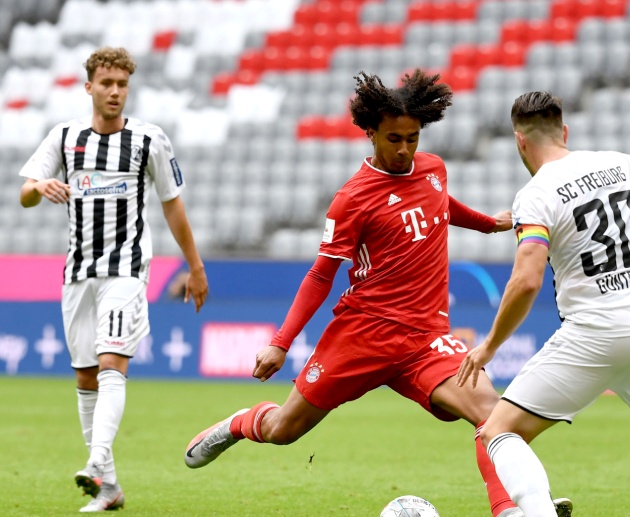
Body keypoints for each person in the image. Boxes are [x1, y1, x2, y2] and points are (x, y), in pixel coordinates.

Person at [184, 70, 572, 517]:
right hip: (362, 335)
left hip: (426, 339)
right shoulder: (352, 199)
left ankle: (511, 511)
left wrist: (488, 223)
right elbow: (320, 276)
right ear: (371, 133)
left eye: (412, 138)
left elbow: (440, 203)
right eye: (394, 139)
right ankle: (239, 424)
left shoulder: (433, 169)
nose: (405, 149)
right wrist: (280, 342)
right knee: (284, 430)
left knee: (493, 414)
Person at [457, 91, 630, 517]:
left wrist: (489, 346)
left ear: (520, 141)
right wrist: (621, 204)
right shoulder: (613, 163)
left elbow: (527, 279)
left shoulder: (536, 194)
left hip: (595, 333)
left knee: (497, 431)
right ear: (565, 132)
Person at [19, 47, 209, 513]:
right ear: (89, 87)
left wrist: (195, 266)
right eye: (106, 83)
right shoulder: (65, 136)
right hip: (78, 273)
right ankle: (109, 487)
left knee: (111, 363)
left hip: (126, 269)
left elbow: (172, 204)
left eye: (122, 84)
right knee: (86, 375)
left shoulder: (149, 140)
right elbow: (25, 193)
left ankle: (96, 460)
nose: (115, 92)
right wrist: (40, 186)